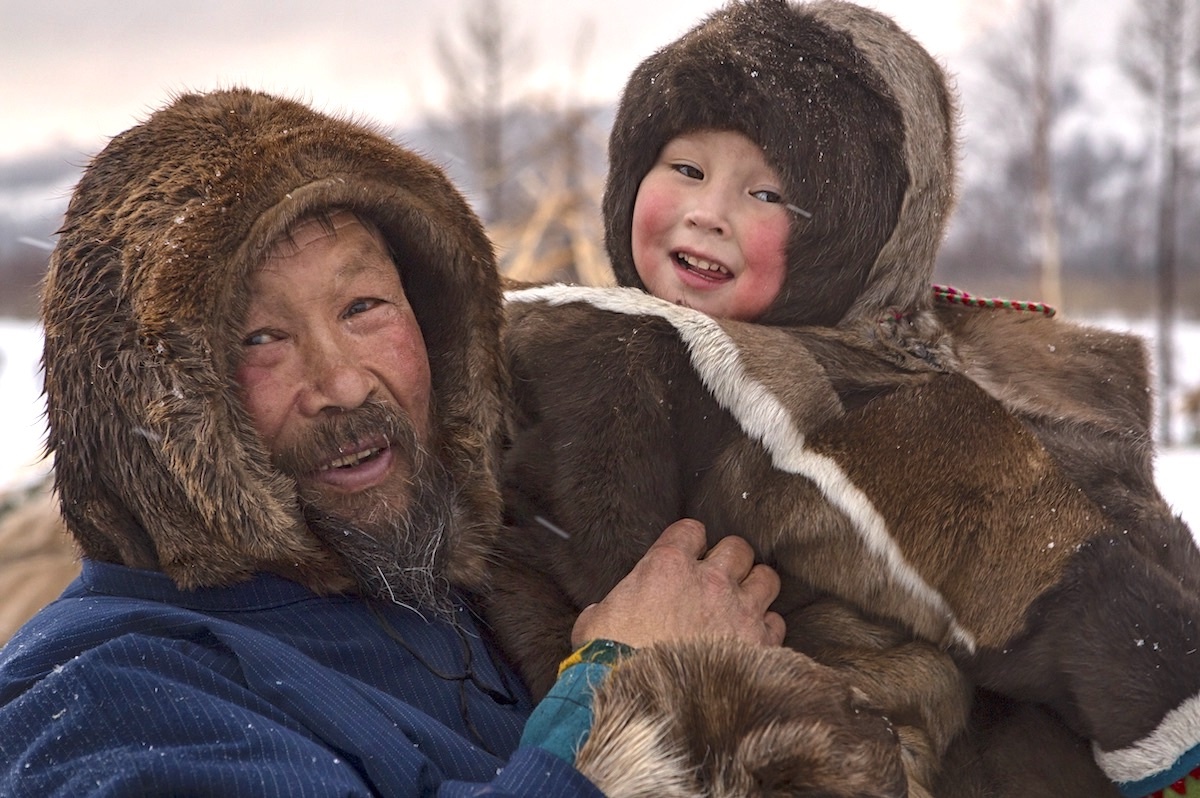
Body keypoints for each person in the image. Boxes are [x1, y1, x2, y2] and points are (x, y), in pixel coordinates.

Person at [0, 87, 915, 797]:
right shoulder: (107, 701)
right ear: (149, 404)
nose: (345, 381)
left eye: (364, 308)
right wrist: (626, 689)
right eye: (258, 340)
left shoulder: (454, 574)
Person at [492, 2, 1200, 797]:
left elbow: (1070, 591)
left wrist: (1170, 734)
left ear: (856, 235)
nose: (706, 211)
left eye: (768, 195)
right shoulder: (600, 347)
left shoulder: (858, 401)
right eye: (685, 170)